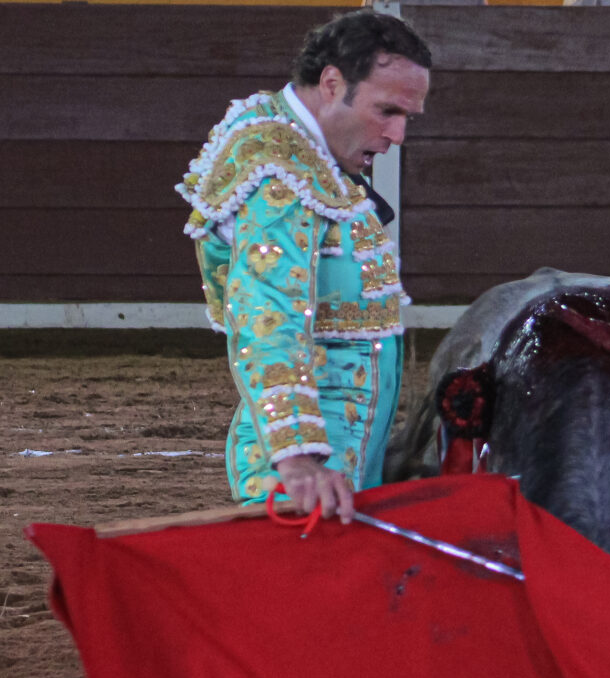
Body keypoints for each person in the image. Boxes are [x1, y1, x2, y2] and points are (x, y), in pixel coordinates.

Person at [178, 10, 431, 522]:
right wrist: (296, 458)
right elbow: (265, 311)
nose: (398, 134)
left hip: (338, 441)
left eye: (407, 117)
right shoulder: (281, 171)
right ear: (332, 83)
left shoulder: (302, 151)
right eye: (386, 111)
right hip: (313, 454)